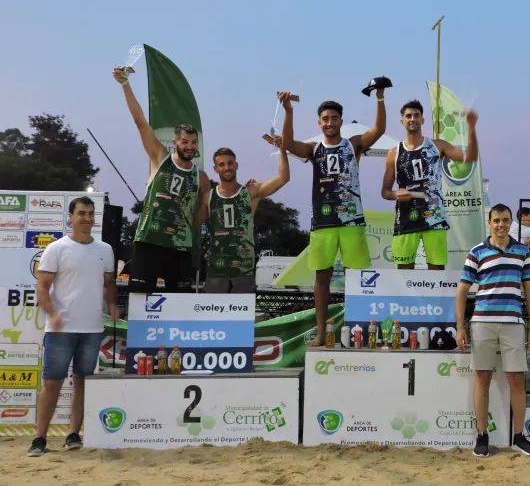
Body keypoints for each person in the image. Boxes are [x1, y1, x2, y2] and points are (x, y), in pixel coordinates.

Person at [279, 88, 386, 345]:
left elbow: (379, 130)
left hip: (351, 221)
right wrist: (289, 112)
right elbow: (288, 144)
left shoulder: (354, 144)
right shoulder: (313, 149)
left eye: (334, 118)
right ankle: (321, 333)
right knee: (322, 278)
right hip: (323, 223)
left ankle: (358, 331)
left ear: (341, 121)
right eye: (325, 119)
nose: (329, 123)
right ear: (319, 123)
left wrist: (380, 97)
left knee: (357, 279)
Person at [28, 197, 118, 457]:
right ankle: (39, 438)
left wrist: (113, 304)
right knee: (52, 383)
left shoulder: (105, 249)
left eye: (90, 213)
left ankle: (72, 434)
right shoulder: (56, 248)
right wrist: (53, 314)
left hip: (92, 329)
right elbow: (42, 287)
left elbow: (109, 283)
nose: (87, 218)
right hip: (60, 330)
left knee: (82, 381)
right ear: (71, 216)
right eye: (81, 213)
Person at [113, 67, 211, 293]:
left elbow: (200, 218)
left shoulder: (201, 177)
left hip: (179, 247)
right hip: (149, 241)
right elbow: (140, 121)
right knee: (139, 298)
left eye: (194, 142)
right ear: (176, 142)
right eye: (185, 141)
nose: (190, 146)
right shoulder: (160, 157)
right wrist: (125, 85)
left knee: (181, 302)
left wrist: (201, 210)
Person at [455, 204, 530, 458]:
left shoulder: (523, 252)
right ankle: (482, 436)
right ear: (489, 223)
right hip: (482, 322)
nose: (501, 225)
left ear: (511, 222)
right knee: (483, 379)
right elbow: (462, 291)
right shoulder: (477, 252)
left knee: (516, 380)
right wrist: (460, 326)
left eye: (505, 220)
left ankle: (519, 436)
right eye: (496, 221)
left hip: (513, 322)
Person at [381, 101, 479, 269]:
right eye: (408, 116)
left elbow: (469, 157)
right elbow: (385, 192)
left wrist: (471, 127)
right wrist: (395, 194)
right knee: (404, 273)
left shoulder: (437, 145)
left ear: (422, 120)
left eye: (416, 115)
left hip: (434, 218)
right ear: (402, 121)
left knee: (436, 272)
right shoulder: (394, 153)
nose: (413, 119)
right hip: (405, 218)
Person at [200, 135, 290, 293]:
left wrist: (282, 150)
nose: (227, 168)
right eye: (221, 164)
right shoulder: (208, 196)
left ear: (236, 165)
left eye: (230, 163)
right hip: (216, 270)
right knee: (212, 317)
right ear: (215, 169)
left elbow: (283, 178)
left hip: (243, 270)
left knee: (242, 317)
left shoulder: (250, 192)